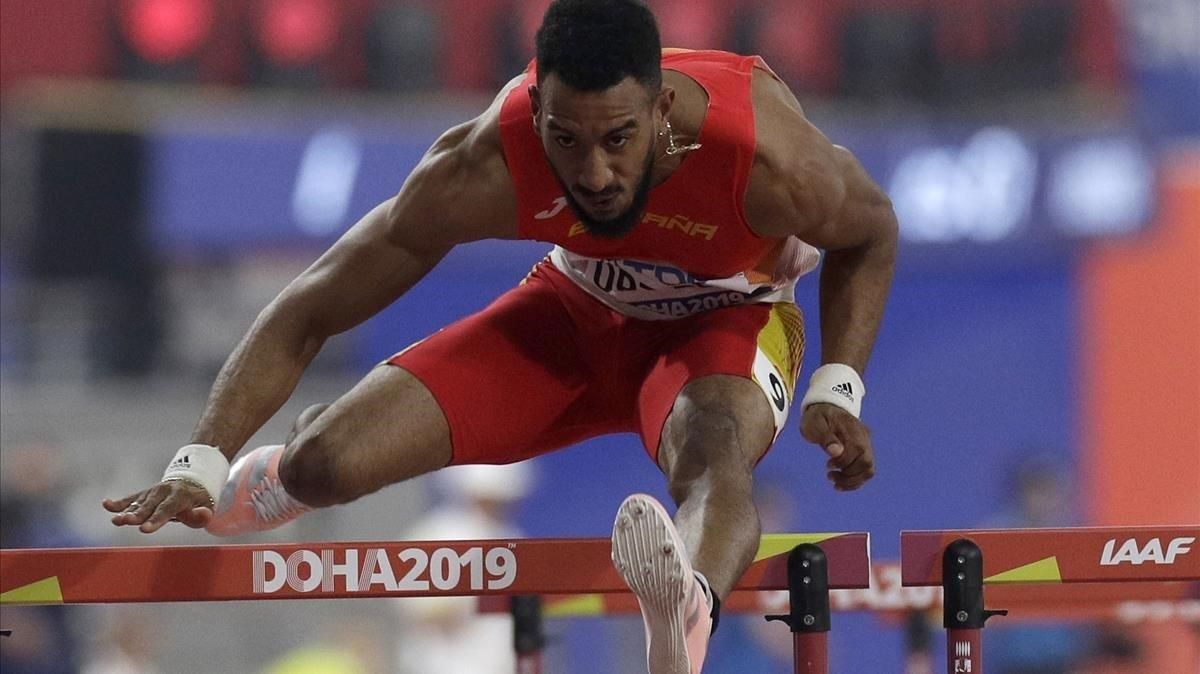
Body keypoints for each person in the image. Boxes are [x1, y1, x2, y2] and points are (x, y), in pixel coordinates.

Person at [104, 1, 897, 672]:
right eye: (566, 139)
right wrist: (203, 454)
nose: (591, 174)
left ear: (661, 114)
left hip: (725, 322)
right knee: (326, 464)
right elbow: (313, 303)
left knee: (713, 449)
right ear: (537, 111)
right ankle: (271, 475)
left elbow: (872, 231)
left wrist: (838, 382)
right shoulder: (487, 160)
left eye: (618, 139)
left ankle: (684, 610)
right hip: (571, 314)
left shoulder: (764, 158)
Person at [392, 464, 534, 674]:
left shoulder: (512, 538)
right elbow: (415, 607)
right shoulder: (438, 533)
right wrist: (465, 599)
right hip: (445, 667)